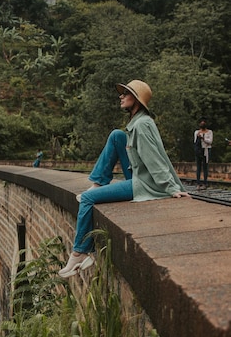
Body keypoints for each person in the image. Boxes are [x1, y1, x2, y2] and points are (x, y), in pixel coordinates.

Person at [59, 80, 190, 279]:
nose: (121, 96)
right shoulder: (138, 122)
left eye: (126, 93)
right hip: (138, 175)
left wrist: (171, 188)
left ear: (136, 99)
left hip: (145, 184)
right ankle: (96, 184)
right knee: (117, 135)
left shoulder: (142, 125)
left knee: (87, 200)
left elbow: (154, 159)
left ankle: (80, 252)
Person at [194, 117, 213, 190]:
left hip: (206, 150)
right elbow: (195, 142)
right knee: (198, 167)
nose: (202, 123)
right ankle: (198, 183)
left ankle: (205, 183)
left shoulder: (209, 132)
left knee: (205, 166)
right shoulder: (196, 132)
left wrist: (203, 138)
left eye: (204, 122)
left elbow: (210, 141)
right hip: (199, 150)